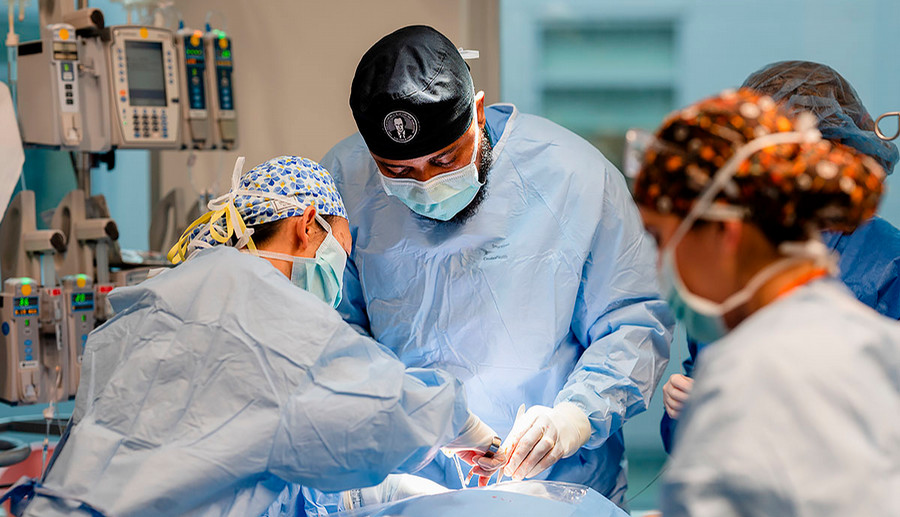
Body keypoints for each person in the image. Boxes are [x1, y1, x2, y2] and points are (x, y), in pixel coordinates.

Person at [12, 156, 499, 517]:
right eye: (340, 254)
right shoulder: (258, 304)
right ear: (306, 225)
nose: (338, 275)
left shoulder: (164, 297)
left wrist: (366, 496)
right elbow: (381, 409)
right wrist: (462, 425)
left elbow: (230, 457)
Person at [320, 25, 673, 505]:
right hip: (410, 479)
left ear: (478, 114)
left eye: (445, 160)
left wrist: (574, 416)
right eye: (399, 172)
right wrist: (407, 412)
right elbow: (334, 328)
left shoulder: (576, 176)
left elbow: (632, 321)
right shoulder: (343, 180)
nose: (425, 184)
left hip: (556, 485)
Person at [634, 88, 899, 516]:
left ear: (727, 235)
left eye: (661, 237)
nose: (660, 262)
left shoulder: (751, 377)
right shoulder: (872, 340)